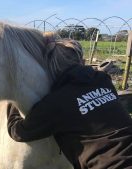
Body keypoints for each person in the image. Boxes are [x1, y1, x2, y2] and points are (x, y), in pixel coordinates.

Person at [7, 36, 132, 169]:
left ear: (50, 67)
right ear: (81, 61)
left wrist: (13, 101)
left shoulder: (56, 103)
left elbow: (19, 132)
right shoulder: (103, 79)